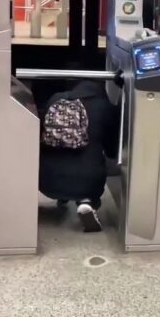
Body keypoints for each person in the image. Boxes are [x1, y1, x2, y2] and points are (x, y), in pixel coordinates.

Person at [39, 79, 119, 232]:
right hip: (88, 180)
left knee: (60, 159)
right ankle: (86, 203)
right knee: (91, 162)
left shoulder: (55, 99)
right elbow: (111, 149)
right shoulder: (103, 106)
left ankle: (61, 197)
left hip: (47, 179)